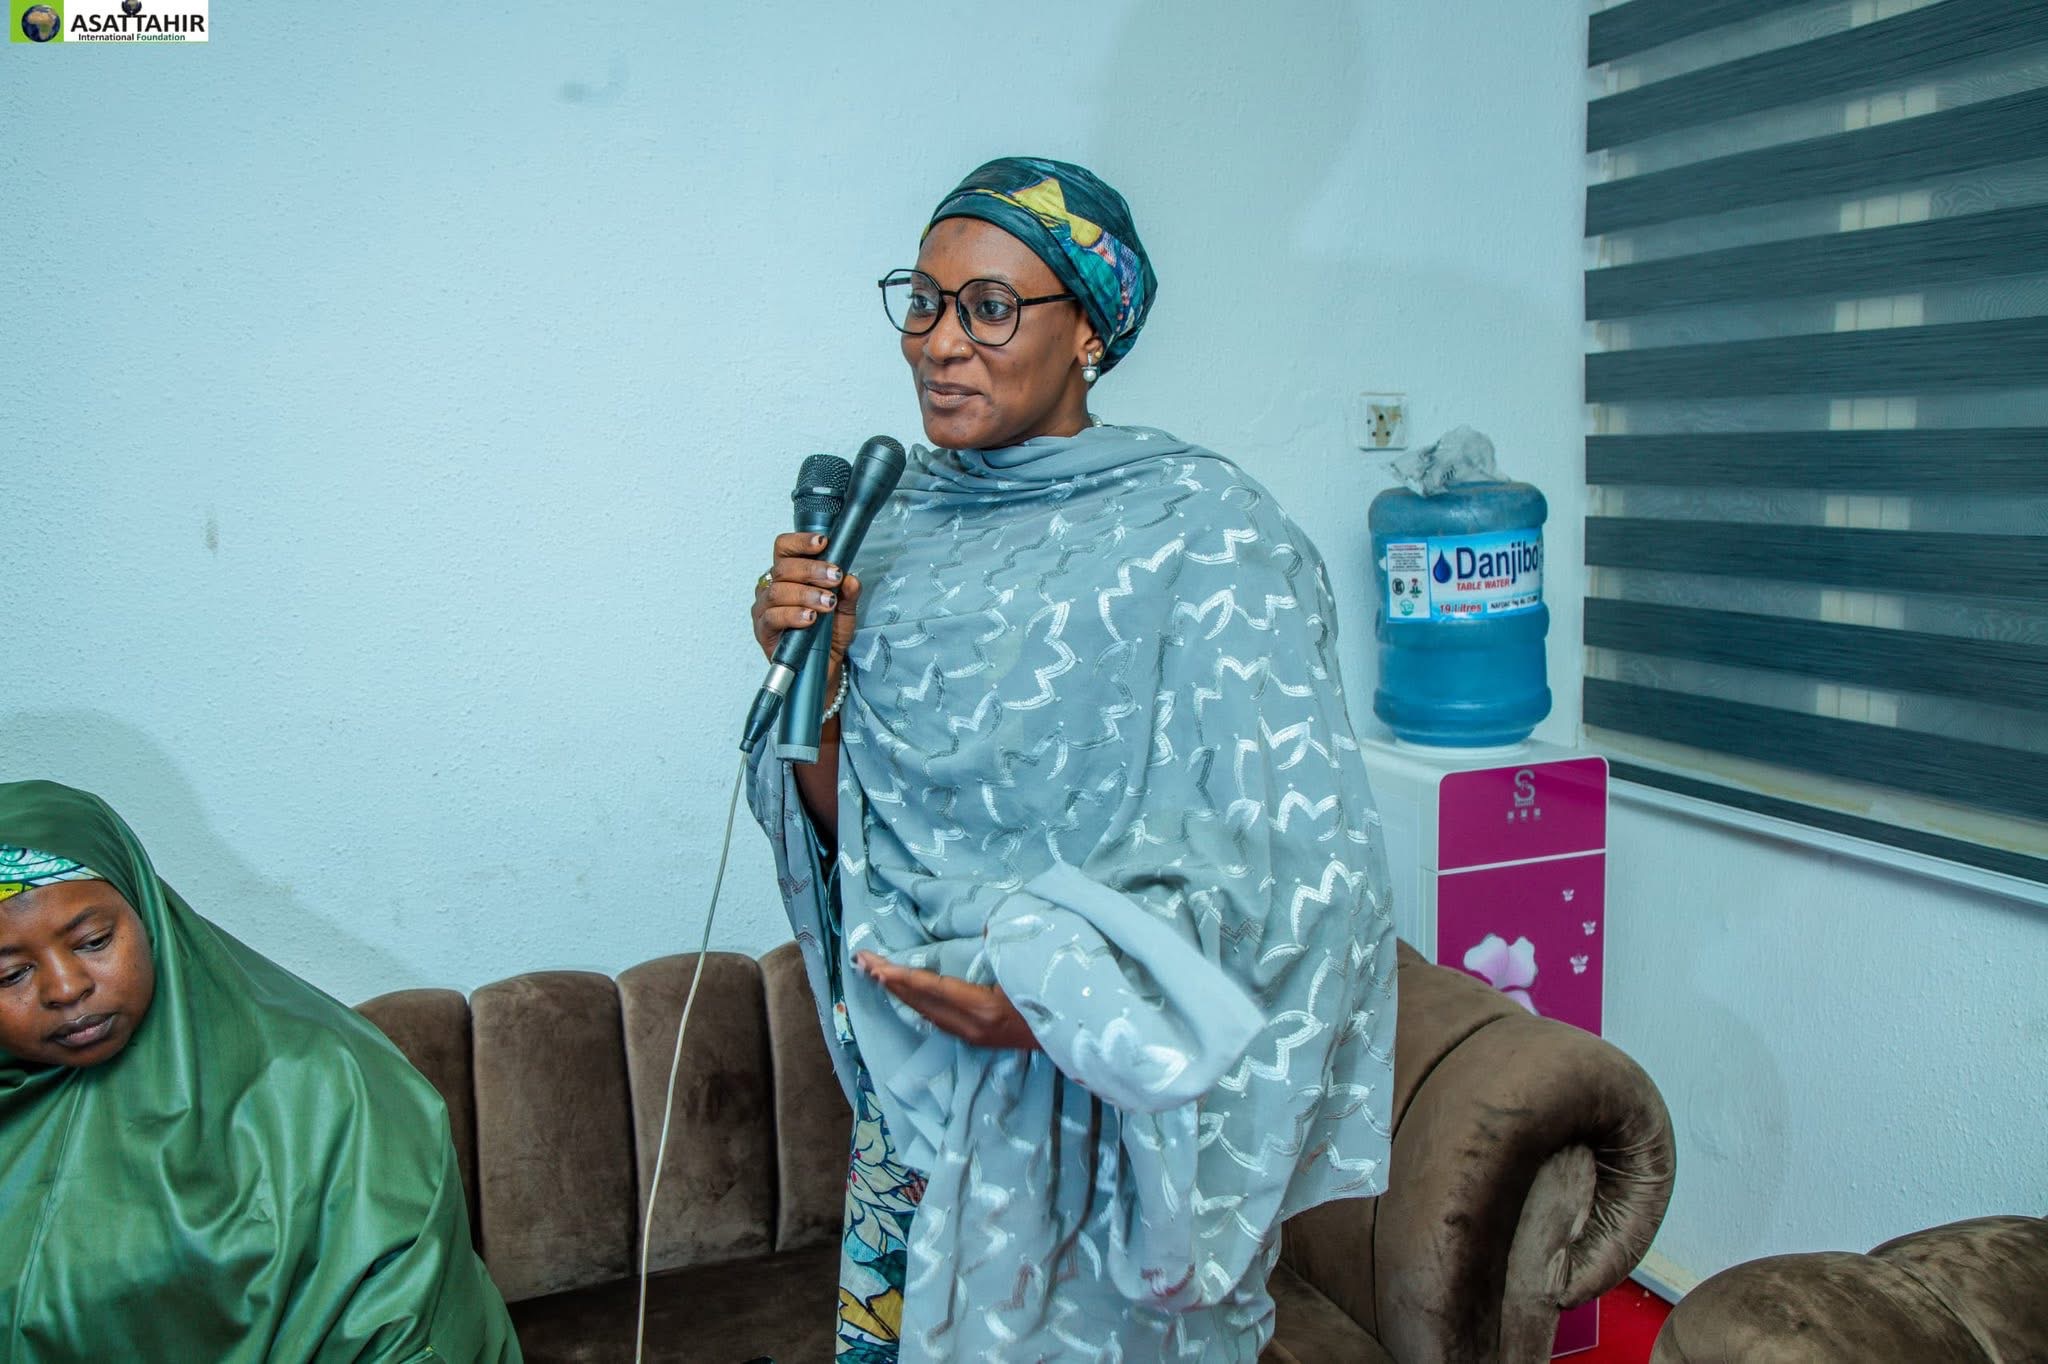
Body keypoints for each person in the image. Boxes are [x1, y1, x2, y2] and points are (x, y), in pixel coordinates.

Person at [745, 157, 1397, 1363]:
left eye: (989, 307)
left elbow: (1302, 867)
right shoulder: (889, 531)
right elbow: (859, 838)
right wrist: (814, 684)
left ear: (1088, 332)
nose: (940, 342)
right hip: (921, 1095)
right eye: (922, 302)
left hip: (1115, 1108)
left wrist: (1060, 1013)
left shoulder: (1205, 532)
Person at [0, 779, 522, 1362]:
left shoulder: (321, 1078)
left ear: (147, 912)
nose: (66, 987)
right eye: (10, 975)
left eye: (94, 941)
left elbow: (406, 1315)